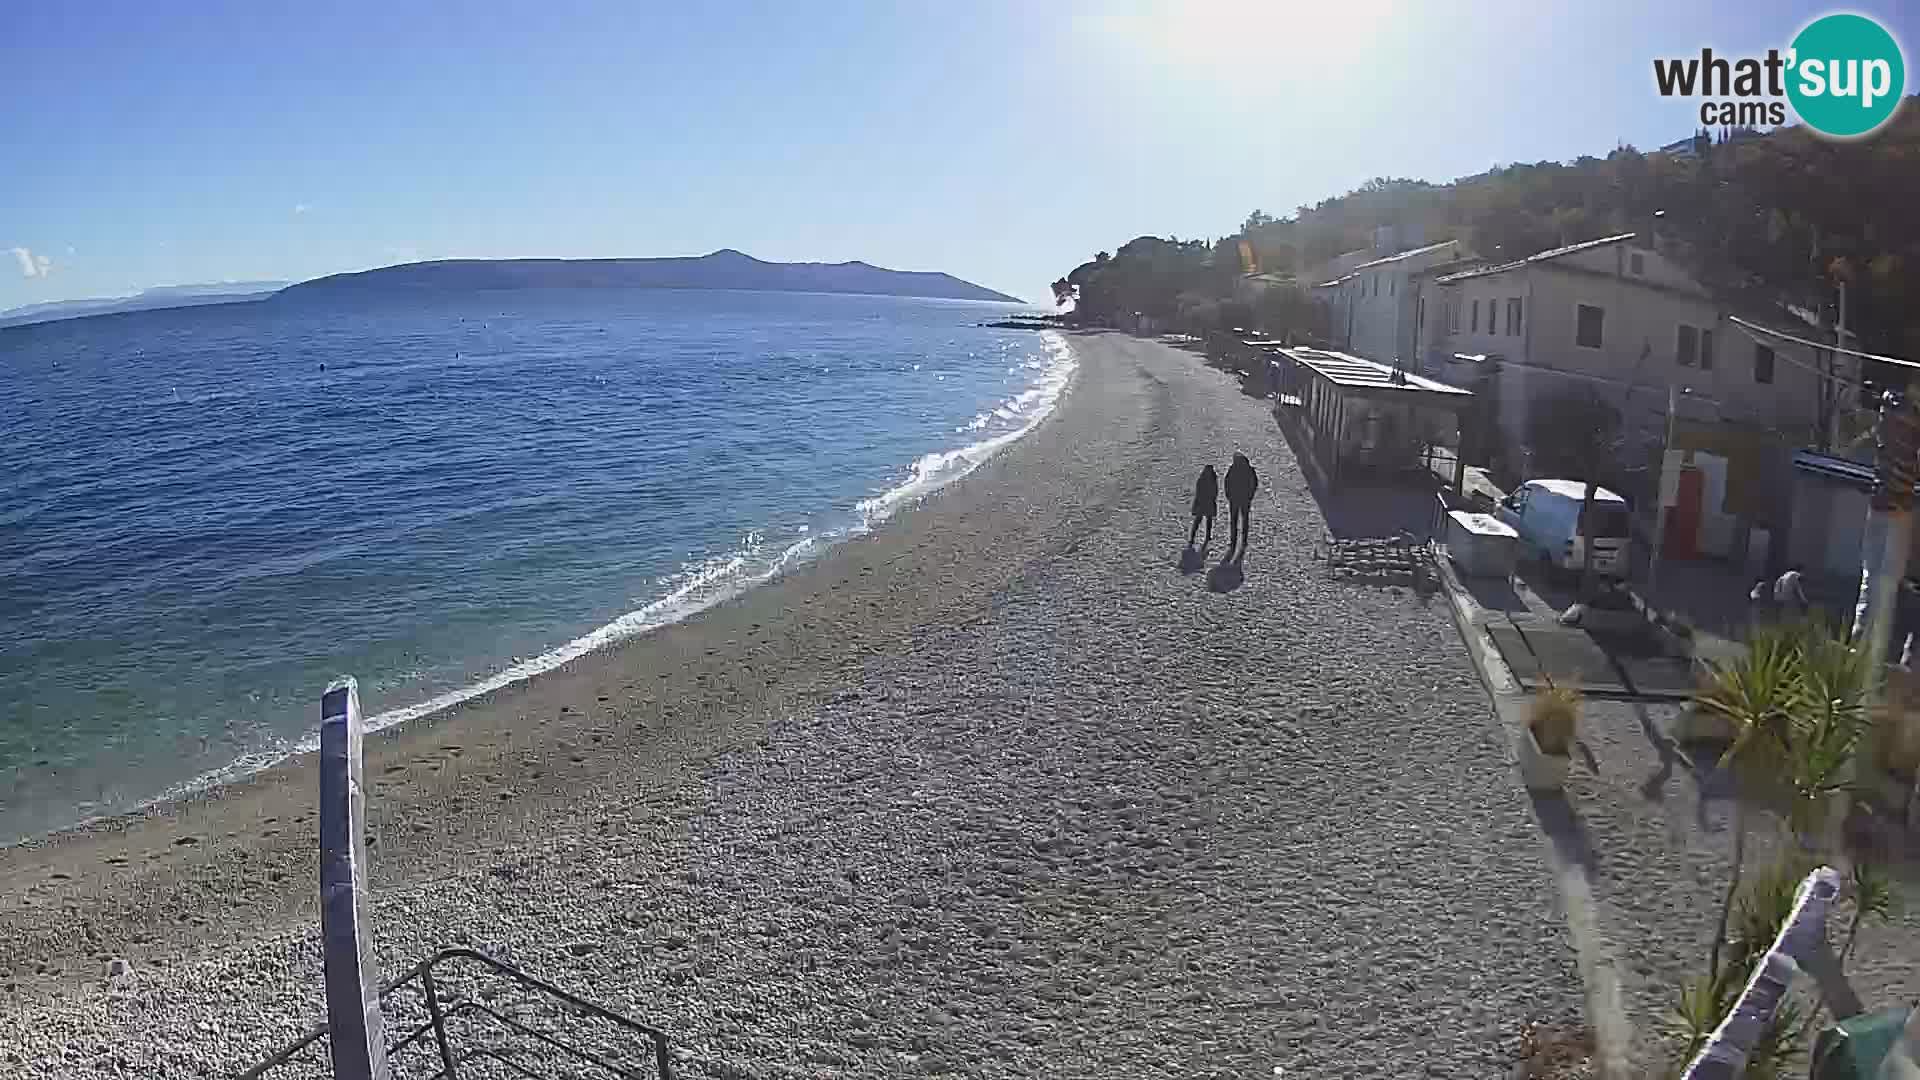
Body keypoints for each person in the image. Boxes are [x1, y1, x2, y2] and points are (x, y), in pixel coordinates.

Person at [1223, 452, 1259, 551]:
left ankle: (1233, 541)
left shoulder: (1232, 469)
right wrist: (1250, 495)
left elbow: (1226, 482)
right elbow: (1254, 483)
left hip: (1235, 499)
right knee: (1244, 520)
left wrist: (1228, 495)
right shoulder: (1249, 469)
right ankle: (1243, 541)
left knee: (1234, 521)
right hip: (1244, 499)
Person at [1189, 464, 1218, 547]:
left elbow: (1199, 491)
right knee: (1205, 520)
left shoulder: (1203, 479)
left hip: (1203, 502)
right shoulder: (1212, 479)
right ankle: (1204, 536)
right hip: (1206, 502)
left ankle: (1194, 537)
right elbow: (1215, 491)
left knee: (1200, 520)